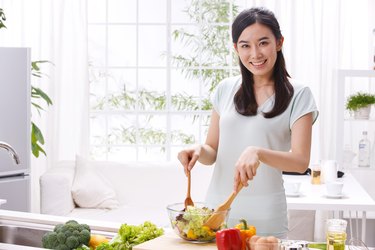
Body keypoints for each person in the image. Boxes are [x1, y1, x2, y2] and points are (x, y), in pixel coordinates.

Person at [177, 7, 319, 238]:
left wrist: (258, 152)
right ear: (236, 49)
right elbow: (212, 151)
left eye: (263, 43)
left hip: (266, 215)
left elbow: (300, 162)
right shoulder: (225, 89)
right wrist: (197, 150)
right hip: (216, 212)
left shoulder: (300, 94)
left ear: (279, 42)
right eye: (245, 45)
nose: (255, 54)